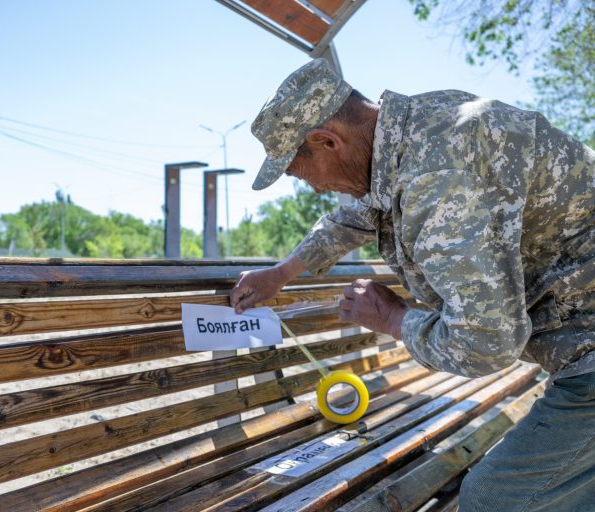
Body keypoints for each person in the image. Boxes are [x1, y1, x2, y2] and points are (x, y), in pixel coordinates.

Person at [229, 58, 595, 511]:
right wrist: (282, 272)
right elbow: (359, 214)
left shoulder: (436, 182)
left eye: (302, 173)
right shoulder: (421, 126)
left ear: (326, 140)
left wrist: (392, 319)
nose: (317, 189)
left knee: (495, 500)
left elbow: (487, 342)